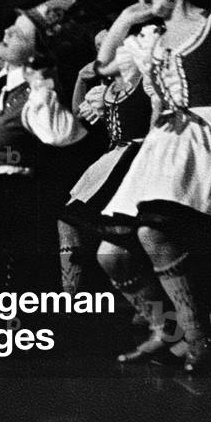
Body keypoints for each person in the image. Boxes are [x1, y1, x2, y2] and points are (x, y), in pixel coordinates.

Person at [93, 0, 211, 372]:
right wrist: (124, 19)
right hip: (161, 148)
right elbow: (104, 66)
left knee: (153, 234)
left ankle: (198, 337)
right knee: (111, 253)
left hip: (203, 142)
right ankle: (167, 329)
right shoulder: (149, 38)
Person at [0, 0, 88, 341]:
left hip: (11, 193)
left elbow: (60, 134)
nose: (7, 32)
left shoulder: (34, 92)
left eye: (19, 33)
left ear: (35, 51)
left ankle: (6, 344)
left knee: (3, 272)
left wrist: (41, 82)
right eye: (11, 26)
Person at [58, 24, 153, 296]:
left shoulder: (144, 78)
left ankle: (157, 314)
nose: (105, 52)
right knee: (68, 218)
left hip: (139, 158)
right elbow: (79, 115)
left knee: (118, 247)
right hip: (113, 159)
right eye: (100, 47)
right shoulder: (107, 88)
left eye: (111, 44)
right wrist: (80, 78)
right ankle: (70, 291)